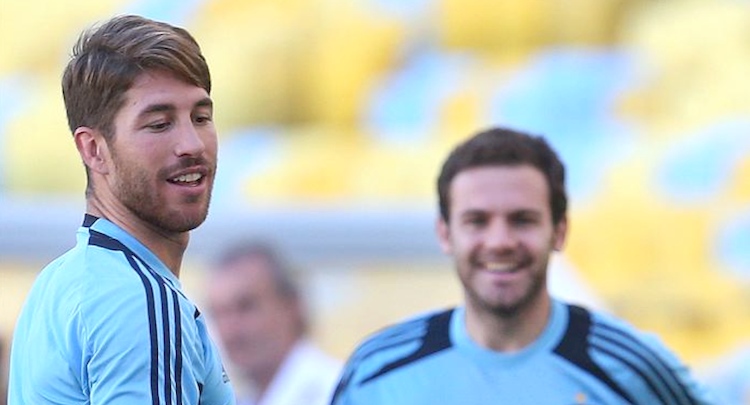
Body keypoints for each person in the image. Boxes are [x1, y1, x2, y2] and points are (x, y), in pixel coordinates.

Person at [330, 127, 716, 404]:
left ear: (559, 232)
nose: (500, 242)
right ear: (445, 234)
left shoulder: (630, 367)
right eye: (477, 221)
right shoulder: (377, 372)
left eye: (522, 220)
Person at [8, 15, 235, 404]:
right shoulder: (138, 299)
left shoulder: (60, 282)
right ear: (93, 149)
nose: (192, 144)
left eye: (201, 118)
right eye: (159, 124)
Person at [206, 241, 342, 405]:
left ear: (291, 306)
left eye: (246, 307)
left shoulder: (336, 392)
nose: (229, 330)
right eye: (219, 314)